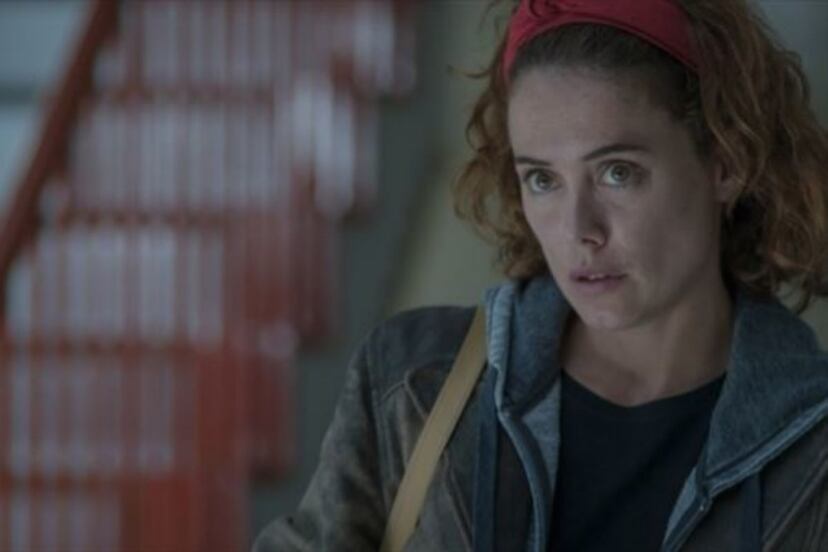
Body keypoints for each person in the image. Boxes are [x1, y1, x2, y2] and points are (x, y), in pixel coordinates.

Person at [254, 0, 828, 550]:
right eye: (543, 180)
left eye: (617, 172)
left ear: (725, 162)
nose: (579, 229)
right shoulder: (413, 383)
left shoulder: (812, 441)